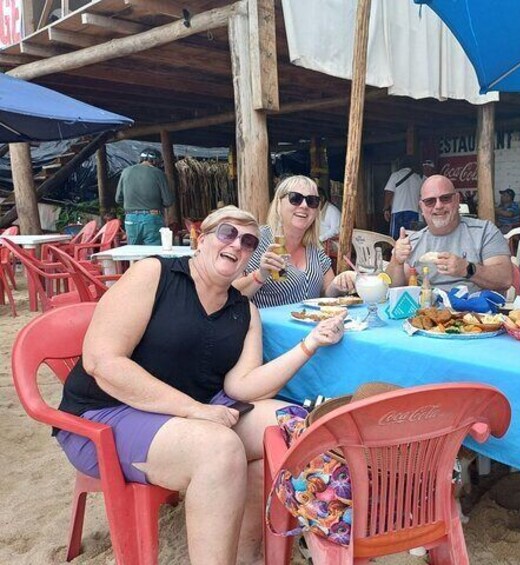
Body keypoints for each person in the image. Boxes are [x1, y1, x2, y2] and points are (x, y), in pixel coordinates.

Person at [54, 206, 347, 563]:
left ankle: (245, 555)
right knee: (219, 449)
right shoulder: (154, 274)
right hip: (104, 415)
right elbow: (103, 362)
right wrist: (194, 411)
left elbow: (243, 387)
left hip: (193, 417)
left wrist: (310, 344)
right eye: (227, 233)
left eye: (249, 240)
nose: (237, 244)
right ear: (201, 238)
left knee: (291, 422)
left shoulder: (244, 310)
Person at [234, 175, 355, 308]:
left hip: (309, 328)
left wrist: (339, 283)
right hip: (265, 327)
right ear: (279, 204)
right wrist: (260, 275)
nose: (304, 206)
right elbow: (229, 296)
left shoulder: (315, 249)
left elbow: (325, 295)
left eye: (312, 201)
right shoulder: (255, 241)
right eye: (295, 198)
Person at [387, 175, 512, 294]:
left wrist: (468, 269)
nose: (438, 206)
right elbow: (392, 288)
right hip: (427, 311)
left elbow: (505, 279)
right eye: (430, 201)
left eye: (445, 198)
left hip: (474, 313)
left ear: (457, 200)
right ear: (421, 208)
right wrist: (396, 261)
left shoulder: (484, 231)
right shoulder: (412, 242)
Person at [116, 148, 174, 246]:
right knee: (153, 253)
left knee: (133, 252)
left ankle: (134, 262)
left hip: (131, 218)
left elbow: (118, 199)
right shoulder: (158, 173)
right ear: (156, 161)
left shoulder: (125, 171)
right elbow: (168, 201)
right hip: (152, 217)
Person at [383, 156, 424, 239]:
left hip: (398, 211)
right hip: (414, 212)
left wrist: (386, 208)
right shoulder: (418, 178)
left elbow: (389, 192)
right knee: (412, 238)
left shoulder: (395, 175)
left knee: (396, 239)